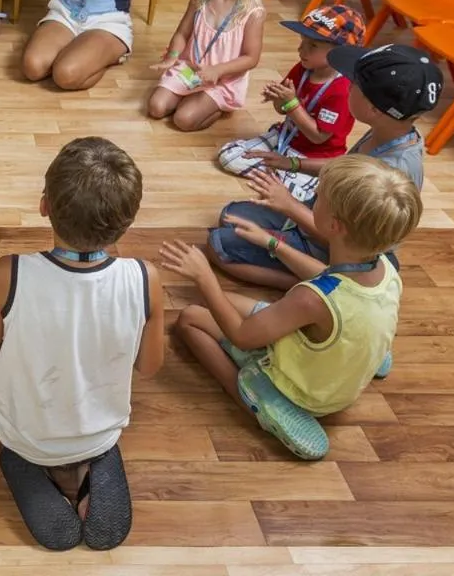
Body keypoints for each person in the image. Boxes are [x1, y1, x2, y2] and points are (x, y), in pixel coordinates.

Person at [0, 137, 164, 551]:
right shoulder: (146, 279)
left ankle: (29, 460)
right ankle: (88, 463)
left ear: (44, 205)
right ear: (127, 223)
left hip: (19, 430)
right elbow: (148, 366)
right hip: (102, 431)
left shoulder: (11, 272)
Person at [164, 155, 422, 460]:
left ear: (333, 225)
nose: (312, 201)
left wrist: (204, 277)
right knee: (225, 302)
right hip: (343, 367)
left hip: (308, 390)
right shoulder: (385, 269)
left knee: (191, 318)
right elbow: (328, 278)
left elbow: (243, 336)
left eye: (318, 198)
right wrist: (272, 243)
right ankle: (359, 355)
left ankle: (261, 400)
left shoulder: (310, 300)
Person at [207, 43, 443, 291]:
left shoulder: (390, 170)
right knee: (230, 215)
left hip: (343, 248)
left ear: (374, 109)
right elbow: (345, 168)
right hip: (323, 214)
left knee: (218, 246)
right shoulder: (393, 131)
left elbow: (344, 238)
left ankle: (319, 281)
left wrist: (288, 204)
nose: (347, 85)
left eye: (354, 84)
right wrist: (294, 164)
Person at [216, 5, 361, 203]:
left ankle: (287, 177)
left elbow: (318, 137)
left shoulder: (342, 89)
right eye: (303, 42)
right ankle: (277, 174)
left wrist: (292, 104)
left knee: (299, 196)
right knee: (228, 156)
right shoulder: (303, 68)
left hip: (314, 156)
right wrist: (279, 100)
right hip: (285, 136)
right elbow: (281, 110)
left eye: (313, 46)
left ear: (340, 53)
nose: (301, 49)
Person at [148, 0, 265, 132]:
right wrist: (172, 57)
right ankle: (192, 99)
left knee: (183, 120)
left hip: (222, 80)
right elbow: (181, 34)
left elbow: (251, 58)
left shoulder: (252, 13)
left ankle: (217, 108)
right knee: (156, 108)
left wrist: (217, 71)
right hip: (190, 69)